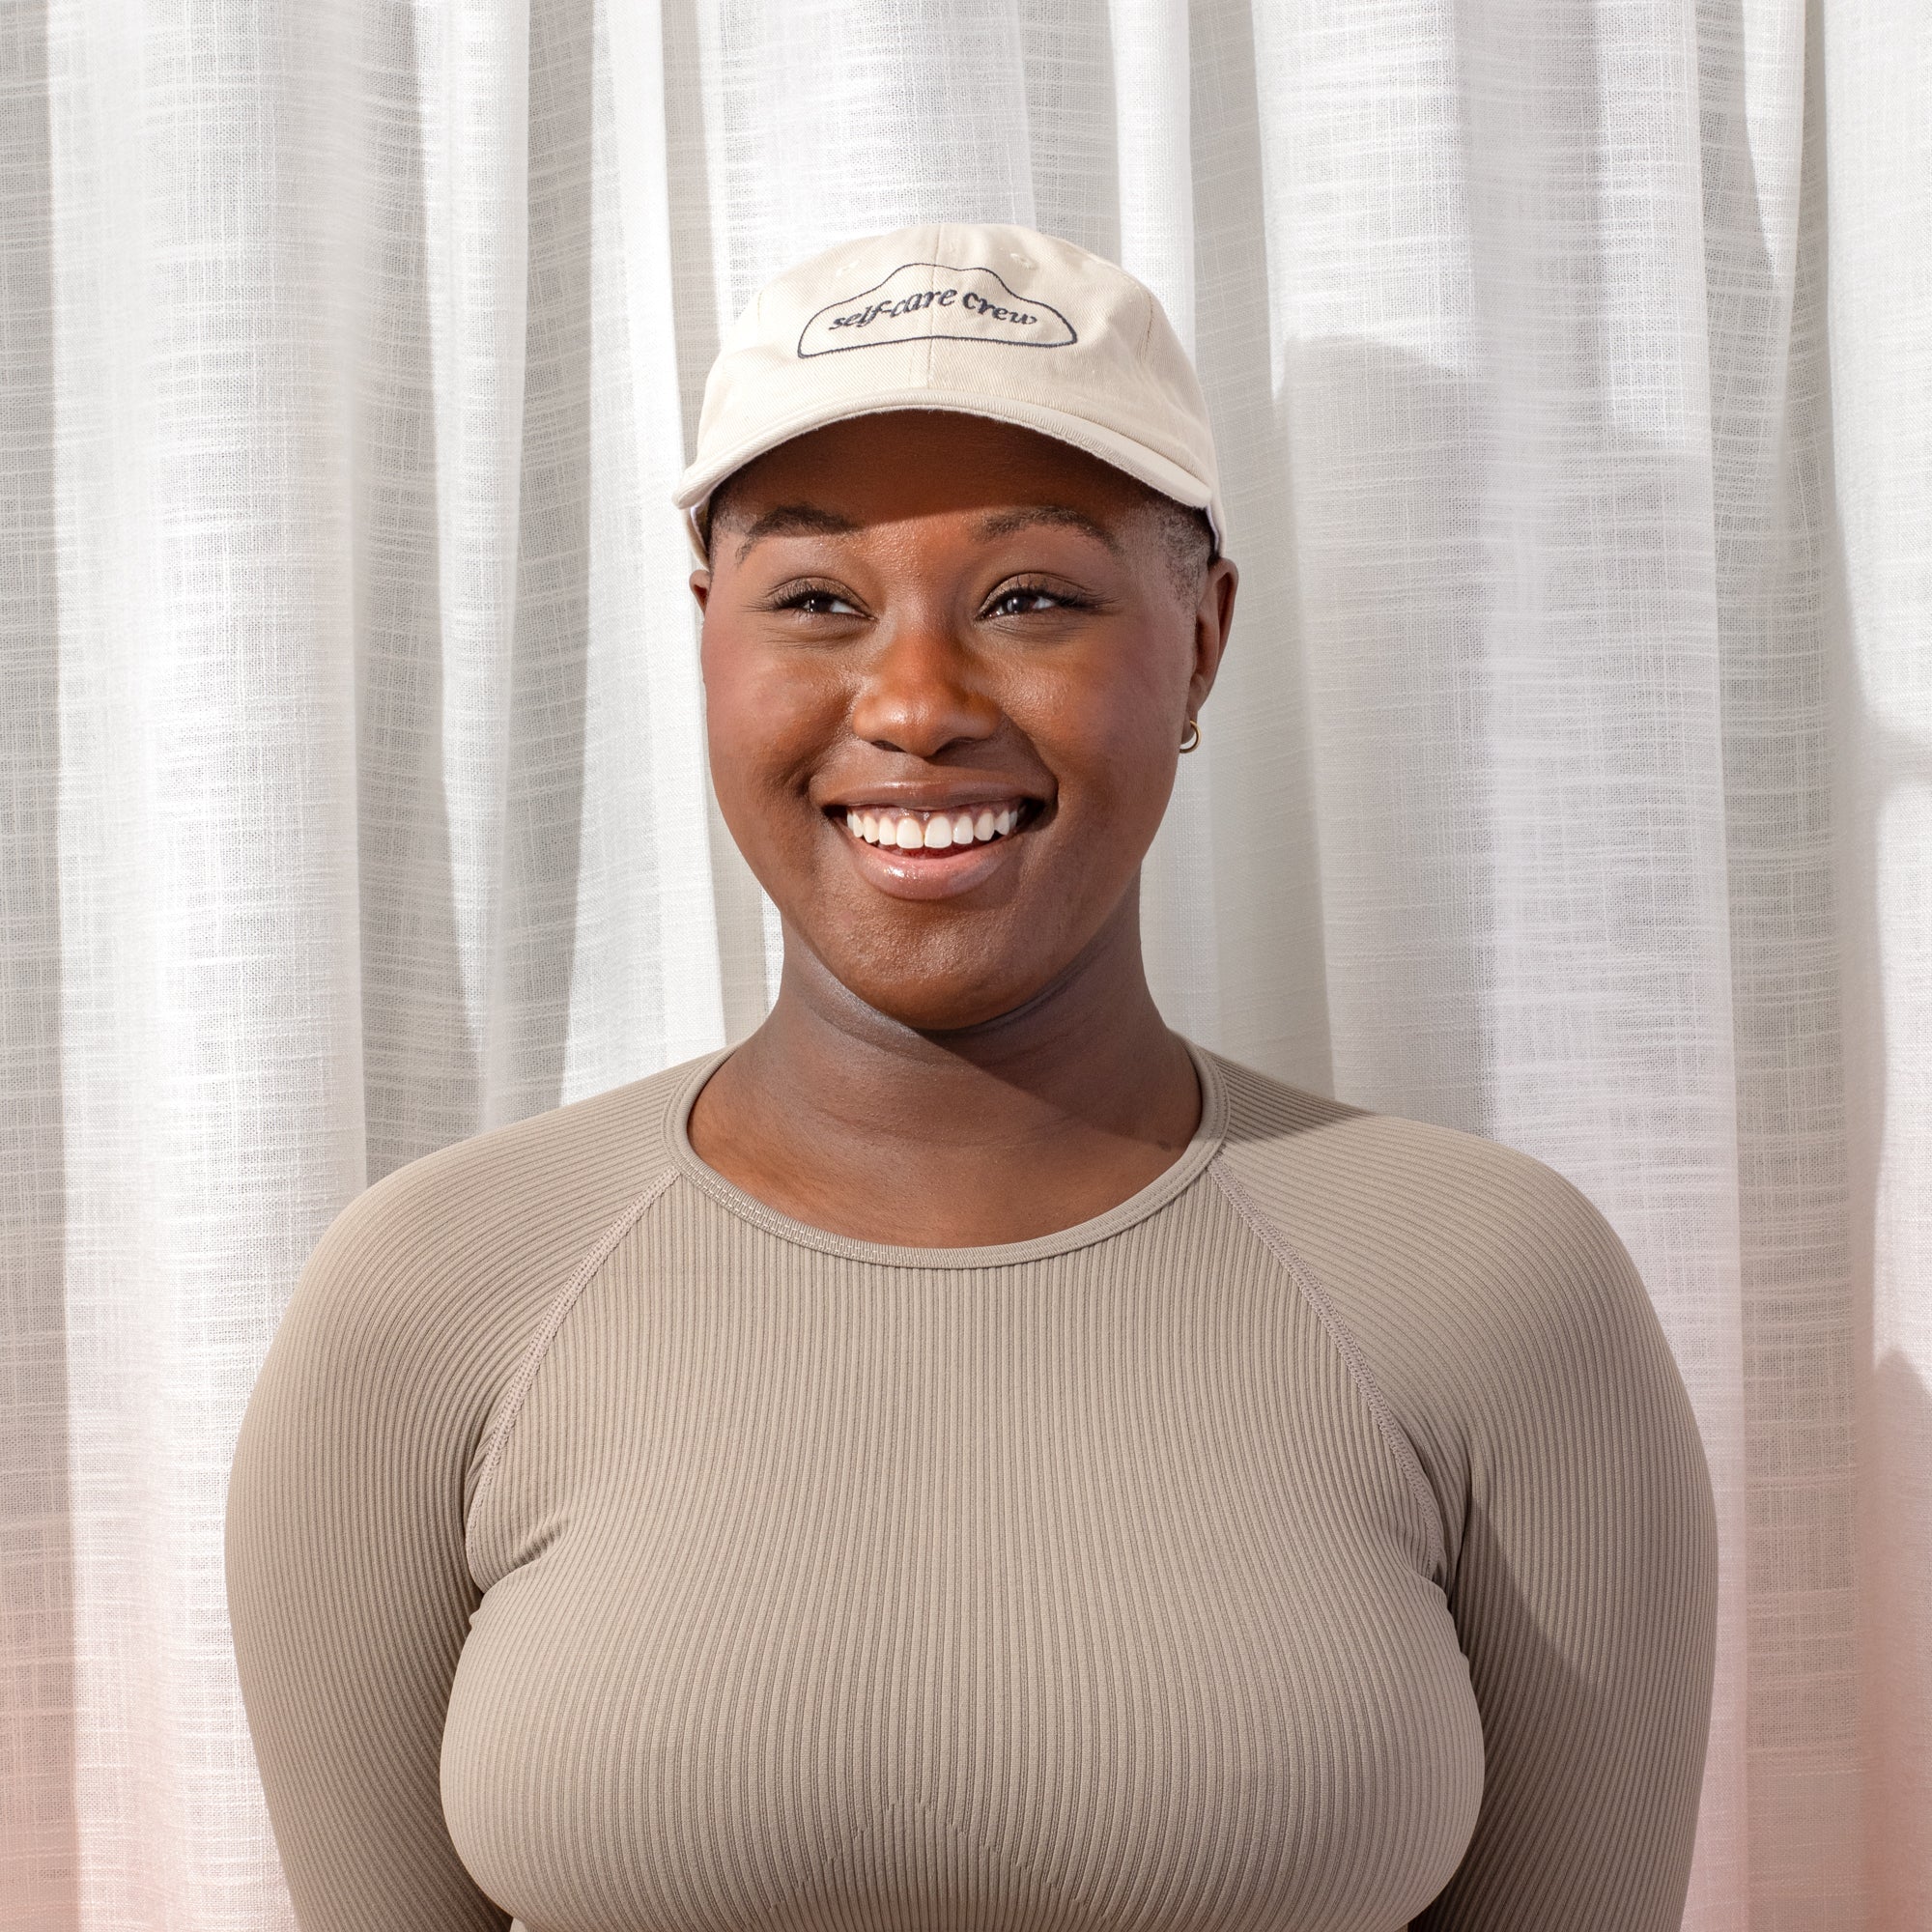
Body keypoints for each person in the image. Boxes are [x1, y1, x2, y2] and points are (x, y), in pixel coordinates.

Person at [225, 220, 1719, 1932]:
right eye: (817, 600)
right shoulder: (432, 1296)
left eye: (1032, 599)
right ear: (708, 638)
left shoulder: (1494, 1287)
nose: (917, 701)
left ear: (1202, 640)